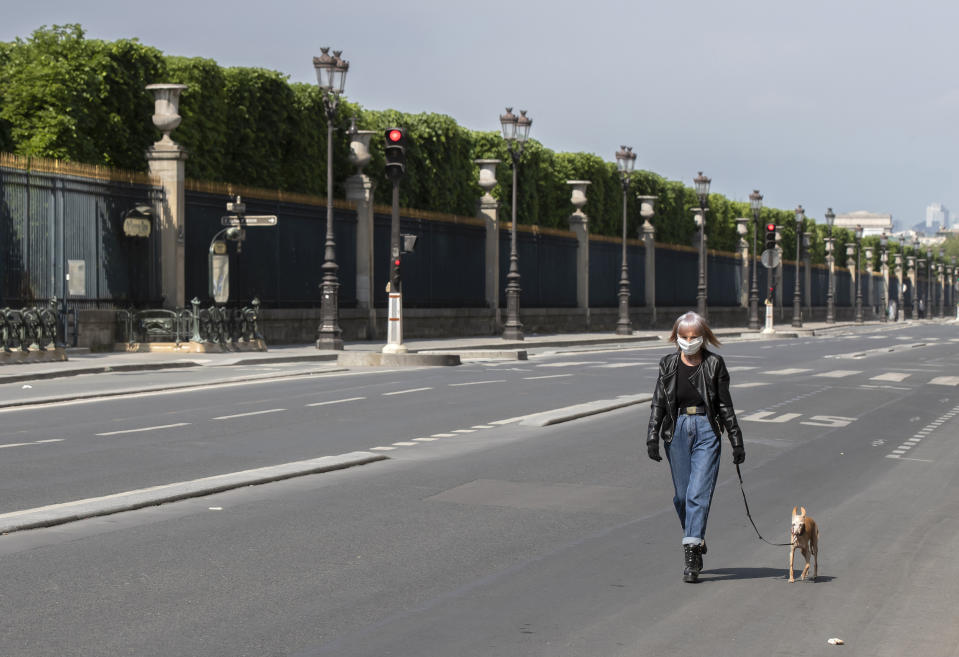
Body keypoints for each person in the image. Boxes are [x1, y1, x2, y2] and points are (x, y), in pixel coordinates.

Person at [646, 311, 745, 583]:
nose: (688, 341)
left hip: (706, 429)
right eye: (684, 336)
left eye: (694, 337)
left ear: (703, 337)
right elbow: (658, 402)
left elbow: (725, 405)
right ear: (676, 336)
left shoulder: (715, 364)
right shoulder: (667, 364)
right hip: (675, 430)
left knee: (697, 493)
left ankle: (691, 553)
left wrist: (736, 440)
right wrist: (652, 435)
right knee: (681, 497)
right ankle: (696, 536)